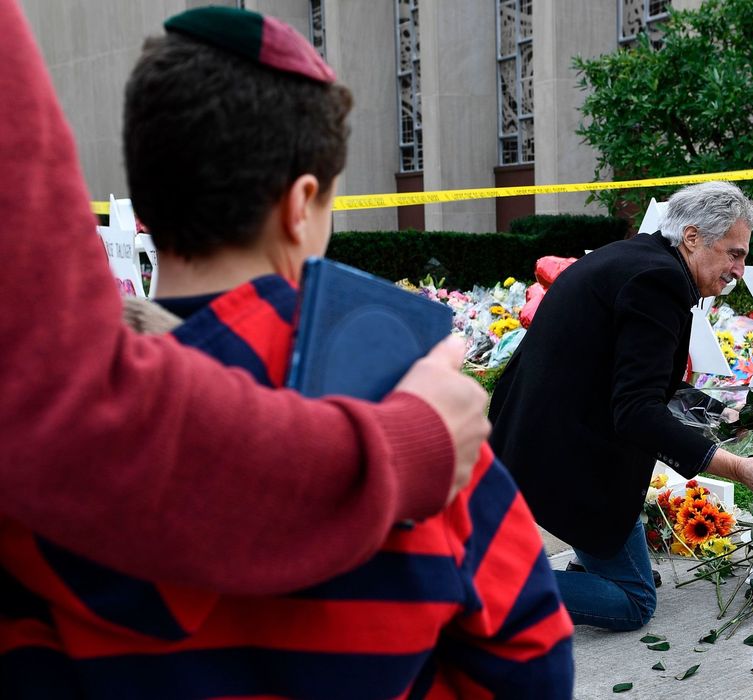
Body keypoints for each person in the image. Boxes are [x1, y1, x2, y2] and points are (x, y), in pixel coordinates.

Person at [0, 8, 573, 697]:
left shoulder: (32, 441)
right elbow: (530, 656)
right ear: (301, 205)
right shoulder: (421, 409)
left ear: (145, 204)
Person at [489, 181, 753, 631]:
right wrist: (736, 467)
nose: (739, 270)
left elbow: (640, 379)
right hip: (568, 461)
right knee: (634, 601)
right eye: (734, 254)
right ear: (692, 237)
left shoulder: (638, 258)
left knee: (626, 570)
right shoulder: (659, 282)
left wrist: (721, 415)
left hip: (531, 436)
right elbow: (635, 412)